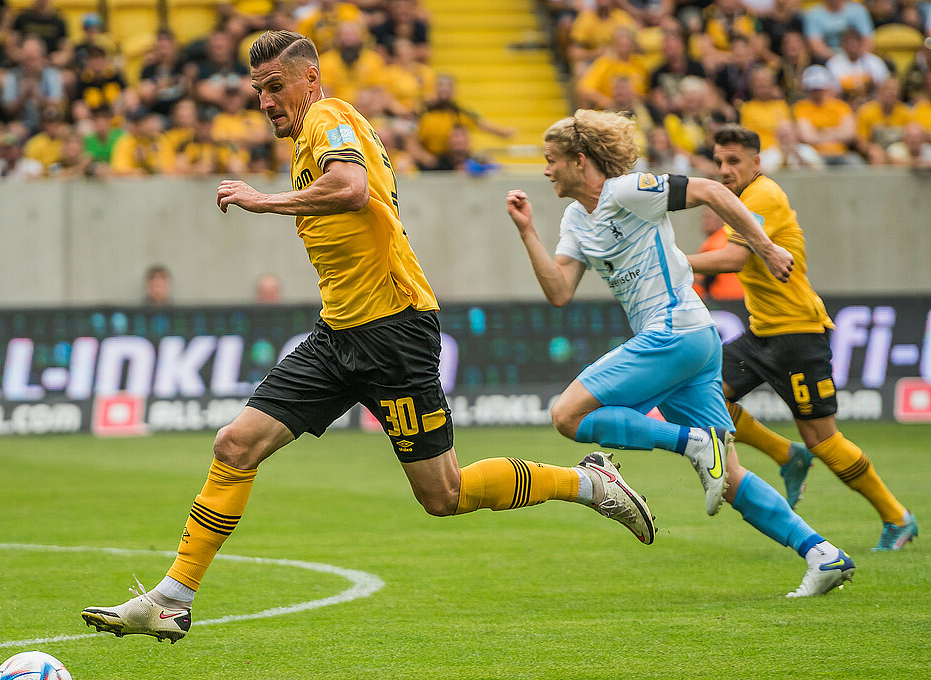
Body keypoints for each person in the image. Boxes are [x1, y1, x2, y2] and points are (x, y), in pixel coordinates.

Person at [81, 30, 657, 644]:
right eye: (258, 92)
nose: (267, 101)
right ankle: (172, 599)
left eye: (277, 87)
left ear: (311, 79)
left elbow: (352, 189)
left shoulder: (328, 118)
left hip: (393, 330)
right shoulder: (312, 134)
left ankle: (589, 482)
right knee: (235, 445)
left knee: (444, 495)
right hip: (339, 334)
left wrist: (263, 200)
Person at [504, 108, 855, 598]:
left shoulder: (626, 191)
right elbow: (560, 290)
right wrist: (526, 232)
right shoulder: (574, 218)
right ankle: (822, 553)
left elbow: (712, 190)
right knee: (729, 478)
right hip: (689, 344)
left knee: (567, 415)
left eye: (551, 160)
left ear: (580, 160)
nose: (545, 170)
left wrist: (766, 247)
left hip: (674, 330)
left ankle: (691, 442)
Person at [686, 124, 917, 549]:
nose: (723, 170)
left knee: (823, 439)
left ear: (756, 163)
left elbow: (736, 259)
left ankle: (897, 516)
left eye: (733, 161)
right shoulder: (739, 199)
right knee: (708, 396)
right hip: (761, 333)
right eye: (718, 161)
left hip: (797, 334)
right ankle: (786, 455)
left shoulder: (763, 195)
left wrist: (673, 260)